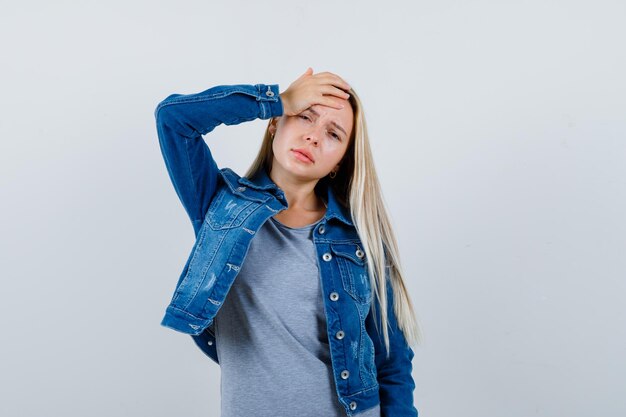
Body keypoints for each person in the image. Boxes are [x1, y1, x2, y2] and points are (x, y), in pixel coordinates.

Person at [154, 68, 422, 417]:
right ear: (274, 124)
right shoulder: (219, 206)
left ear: (339, 163)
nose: (313, 136)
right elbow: (173, 119)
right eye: (304, 116)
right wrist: (277, 100)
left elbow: (393, 362)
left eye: (333, 134)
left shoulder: (360, 239)